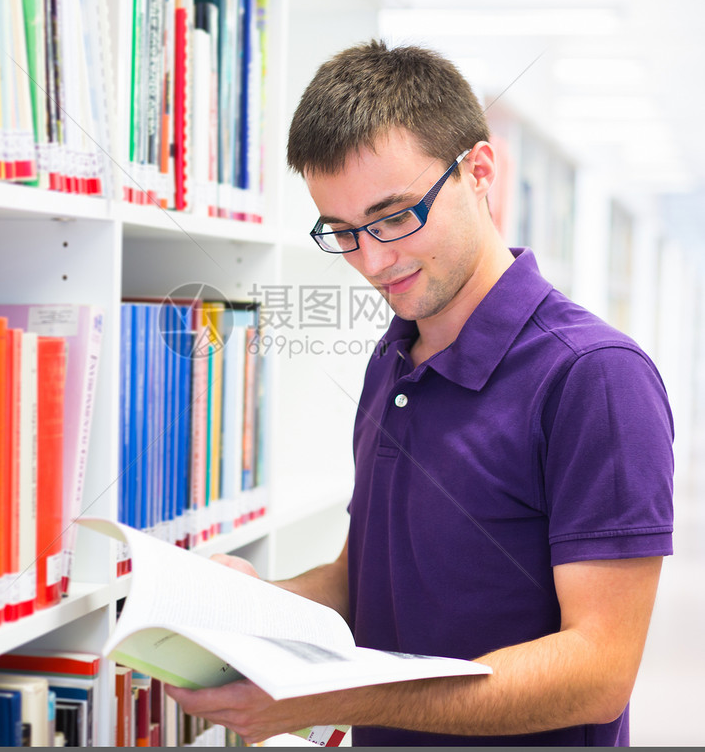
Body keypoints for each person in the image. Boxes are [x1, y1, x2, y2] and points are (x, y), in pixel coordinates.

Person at [168, 40, 675, 746]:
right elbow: (363, 581)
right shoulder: (394, 355)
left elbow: (598, 671)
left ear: (480, 173)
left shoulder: (595, 378)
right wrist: (255, 606)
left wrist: (339, 695)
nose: (373, 261)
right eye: (343, 233)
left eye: (395, 215)